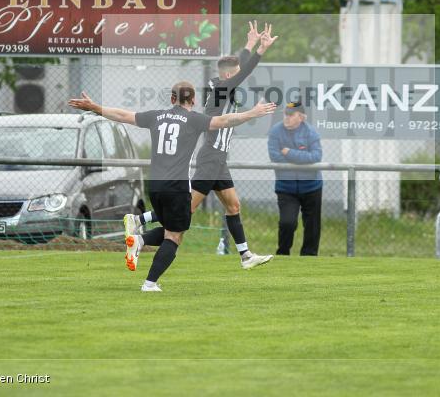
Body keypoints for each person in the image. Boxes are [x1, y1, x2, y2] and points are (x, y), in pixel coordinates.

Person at [68, 83, 275, 291]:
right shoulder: (194, 119)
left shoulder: (156, 116)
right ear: (193, 100)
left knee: (172, 229)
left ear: (172, 99)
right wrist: (253, 113)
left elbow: (122, 115)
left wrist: (95, 107)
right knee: (174, 236)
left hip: (155, 187)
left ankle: (139, 240)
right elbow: (225, 120)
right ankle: (149, 282)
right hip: (177, 188)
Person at [126, 21, 278, 270]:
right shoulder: (222, 89)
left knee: (233, 206)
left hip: (219, 160)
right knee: (185, 212)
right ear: (229, 76)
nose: (239, 76)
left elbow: (237, 68)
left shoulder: (224, 85)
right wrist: (260, 50)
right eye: (236, 74)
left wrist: (249, 44)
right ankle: (139, 229)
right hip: (211, 158)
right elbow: (242, 72)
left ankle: (245, 256)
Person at [267, 101, 323, 256]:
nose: (287, 117)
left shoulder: (311, 133)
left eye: (291, 115)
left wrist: (289, 153)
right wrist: (302, 159)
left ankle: (309, 257)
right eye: (286, 114)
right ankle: (283, 254)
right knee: (287, 223)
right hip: (286, 188)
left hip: (312, 187)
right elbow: (275, 157)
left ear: (302, 117)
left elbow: (316, 156)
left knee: (312, 226)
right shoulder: (275, 132)